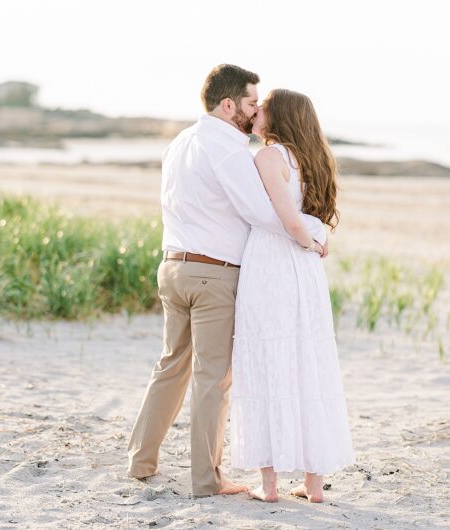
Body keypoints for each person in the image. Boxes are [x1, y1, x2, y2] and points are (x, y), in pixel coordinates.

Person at [126, 64, 328, 498]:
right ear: (228, 104)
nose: (254, 111)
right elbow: (262, 212)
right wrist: (314, 231)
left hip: (173, 266)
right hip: (213, 273)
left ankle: (141, 461)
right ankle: (207, 479)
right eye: (251, 102)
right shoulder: (230, 149)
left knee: (171, 365)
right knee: (213, 377)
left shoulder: (181, 142)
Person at [229, 88, 355, 503]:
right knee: (306, 362)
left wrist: (310, 240)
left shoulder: (268, 157)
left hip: (274, 262)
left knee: (268, 358)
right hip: (305, 271)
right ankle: (313, 484)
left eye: (262, 107)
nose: (256, 112)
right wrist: (317, 240)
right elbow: (310, 217)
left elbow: (286, 218)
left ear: (278, 115)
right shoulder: (314, 159)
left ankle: (269, 487)